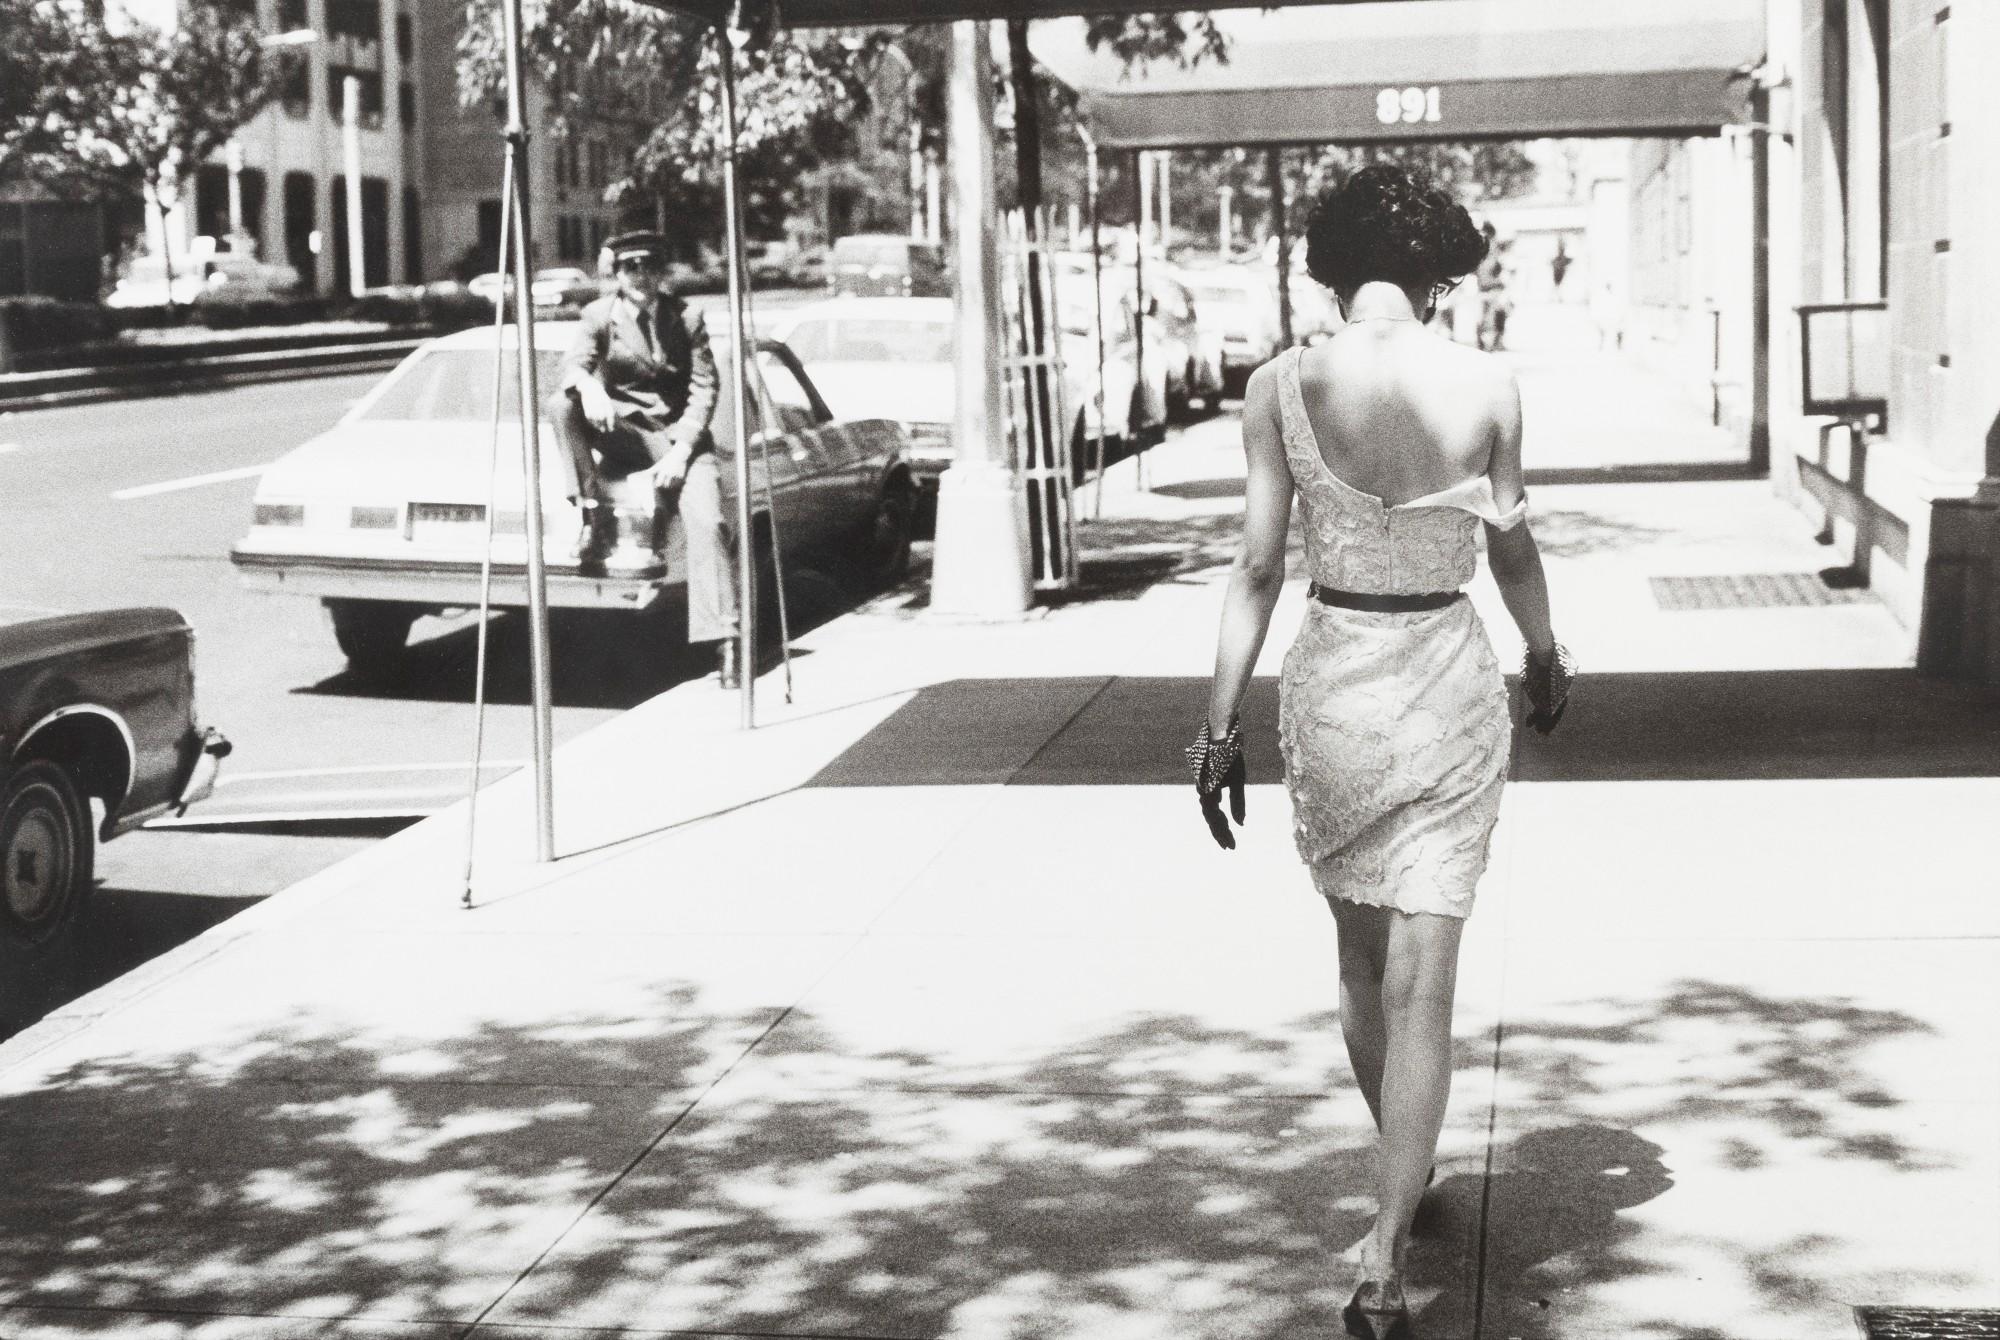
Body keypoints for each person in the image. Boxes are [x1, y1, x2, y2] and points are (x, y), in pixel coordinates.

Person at [1186, 164, 1571, 1340]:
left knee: (1359, 960)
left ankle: (1398, 1184)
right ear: (1435, 264)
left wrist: (1216, 723)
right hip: (1447, 675)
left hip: (1336, 674)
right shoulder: (1489, 382)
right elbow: (1508, 550)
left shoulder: (1275, 388)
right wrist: (1545, 647)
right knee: (1428, 974)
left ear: (1329, 259)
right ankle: (1384, 1242)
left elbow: (1255, 566)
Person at [547, 230, 741, 689]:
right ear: (616, 273)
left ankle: (726, 641)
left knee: (709, 523)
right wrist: (590, 385)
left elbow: (704, 388)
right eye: (631, 267)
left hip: (680, 442)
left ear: (661, 271)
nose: (641, 276)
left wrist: (681, 452)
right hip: (628, 434)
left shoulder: (687, 317)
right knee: (561, 404)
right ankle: (591, 514)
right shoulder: (599, 315)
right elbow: (572, 365)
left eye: (650, 266)